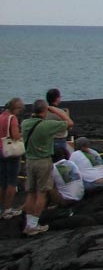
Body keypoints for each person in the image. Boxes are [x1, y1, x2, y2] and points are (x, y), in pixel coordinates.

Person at [19, 100, 70, 236]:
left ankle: (28, 225)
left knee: (31, 193)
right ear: (45, 111)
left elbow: (31, 119)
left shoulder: (24, 123)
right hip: (43, 161)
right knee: (42, 193)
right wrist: (55, 110)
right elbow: (69, 123)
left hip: (29, 161)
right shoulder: (46, 125)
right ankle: (33, 225)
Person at [0, 98, 25, 219]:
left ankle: (1, 208)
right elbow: (15, 136)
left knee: (2, 181)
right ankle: (7, 209)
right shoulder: (12, 118)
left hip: (1, 149)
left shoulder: (1, 116)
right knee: (11, 181)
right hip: (11, 151)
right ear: (16, 108)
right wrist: (22, 134)